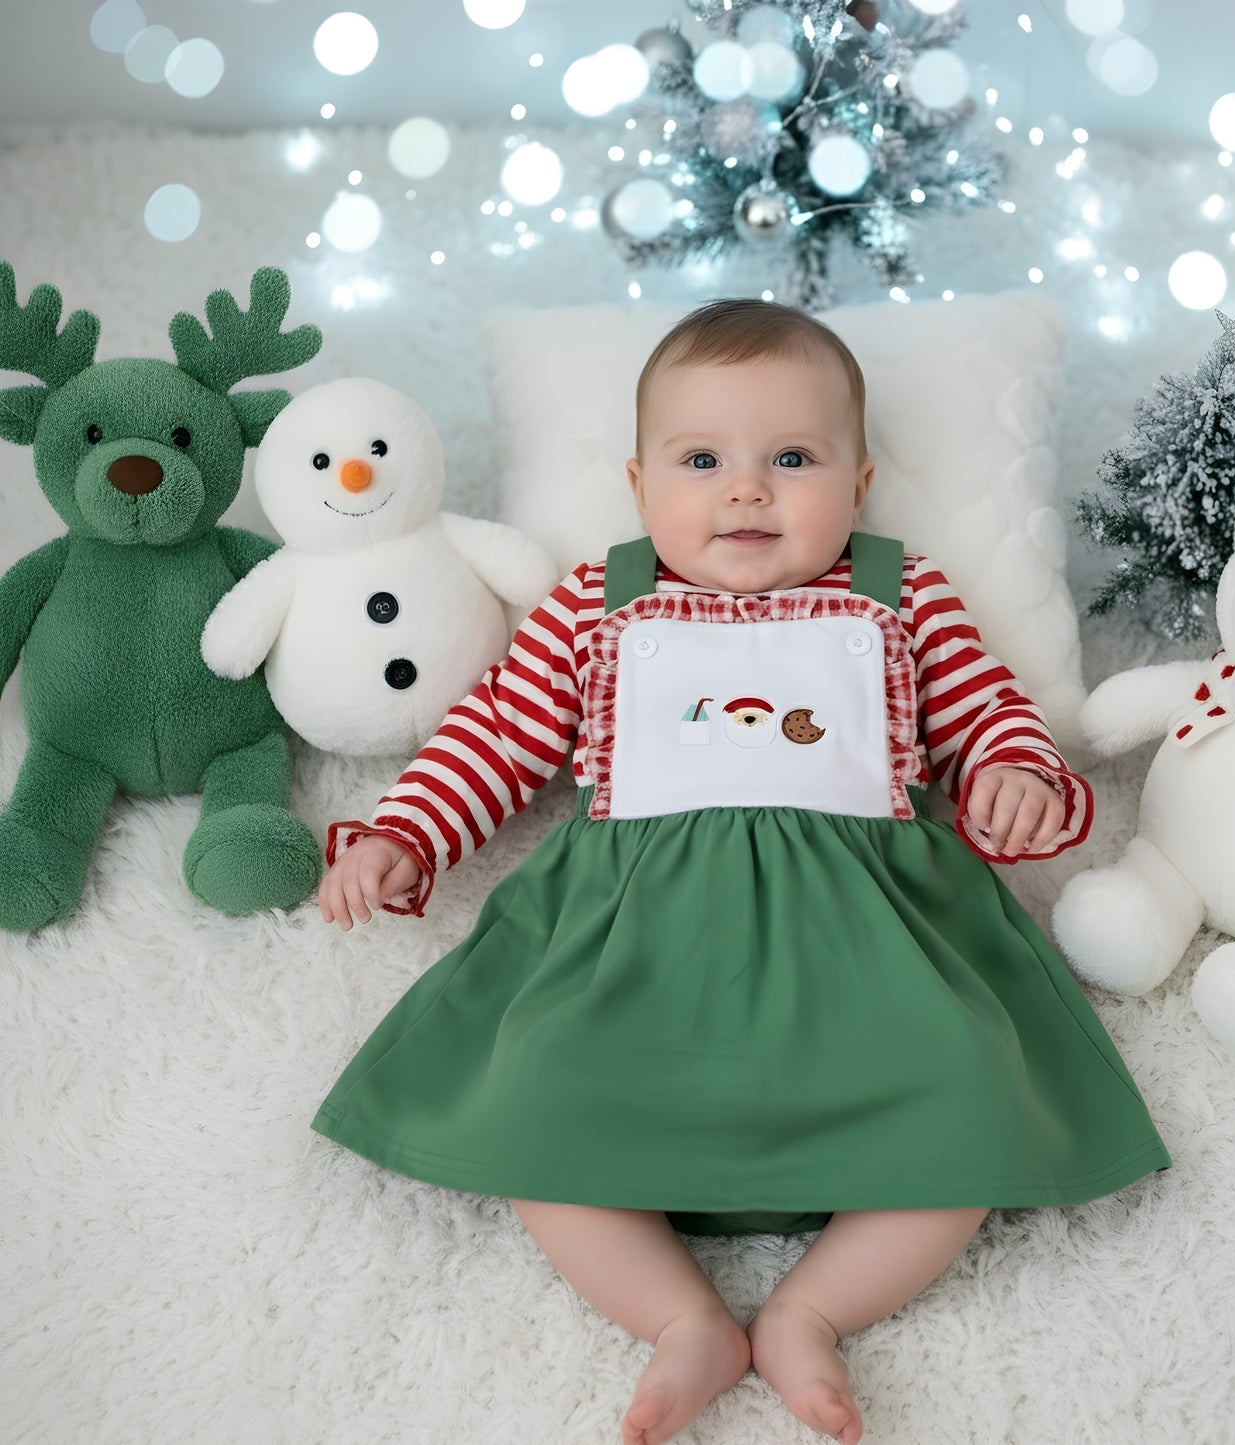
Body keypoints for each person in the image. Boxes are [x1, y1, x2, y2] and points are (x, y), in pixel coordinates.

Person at [313, 299, 1170, 1445]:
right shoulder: (597, 602)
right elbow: (494, 737)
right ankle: (683, 1322)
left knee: (973, 1102)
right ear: (638, 484)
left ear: (857, 485)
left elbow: (992, 719)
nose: (746, 490)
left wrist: (1015, 777)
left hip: (873, 950)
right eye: (702, 459)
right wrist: (401, 832)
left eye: (792, 459)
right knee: (526, 1099)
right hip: (634, 948)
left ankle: (810, 1311)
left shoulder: (899, 596)